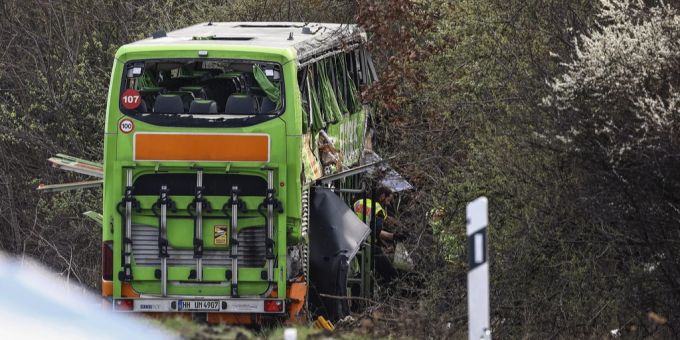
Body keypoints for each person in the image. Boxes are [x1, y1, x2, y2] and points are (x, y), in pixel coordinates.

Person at [353, 186, 404, 285]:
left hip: (350, 239)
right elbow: (376, 231)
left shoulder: (359, 202)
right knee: (380, 264)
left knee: (361, 271)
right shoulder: (377, 209)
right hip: (363, 244)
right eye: (388, 200)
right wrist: (393, 236)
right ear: (382, 196)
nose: (388, 204)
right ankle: (393, 281)